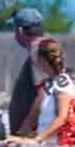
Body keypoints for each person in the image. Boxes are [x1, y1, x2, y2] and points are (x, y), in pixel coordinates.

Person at [7, 8, 46, 137]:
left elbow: (43, 95)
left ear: (20, 30)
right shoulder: (44, 49)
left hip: (31, 137)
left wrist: (25, 129)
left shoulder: (37, 51)